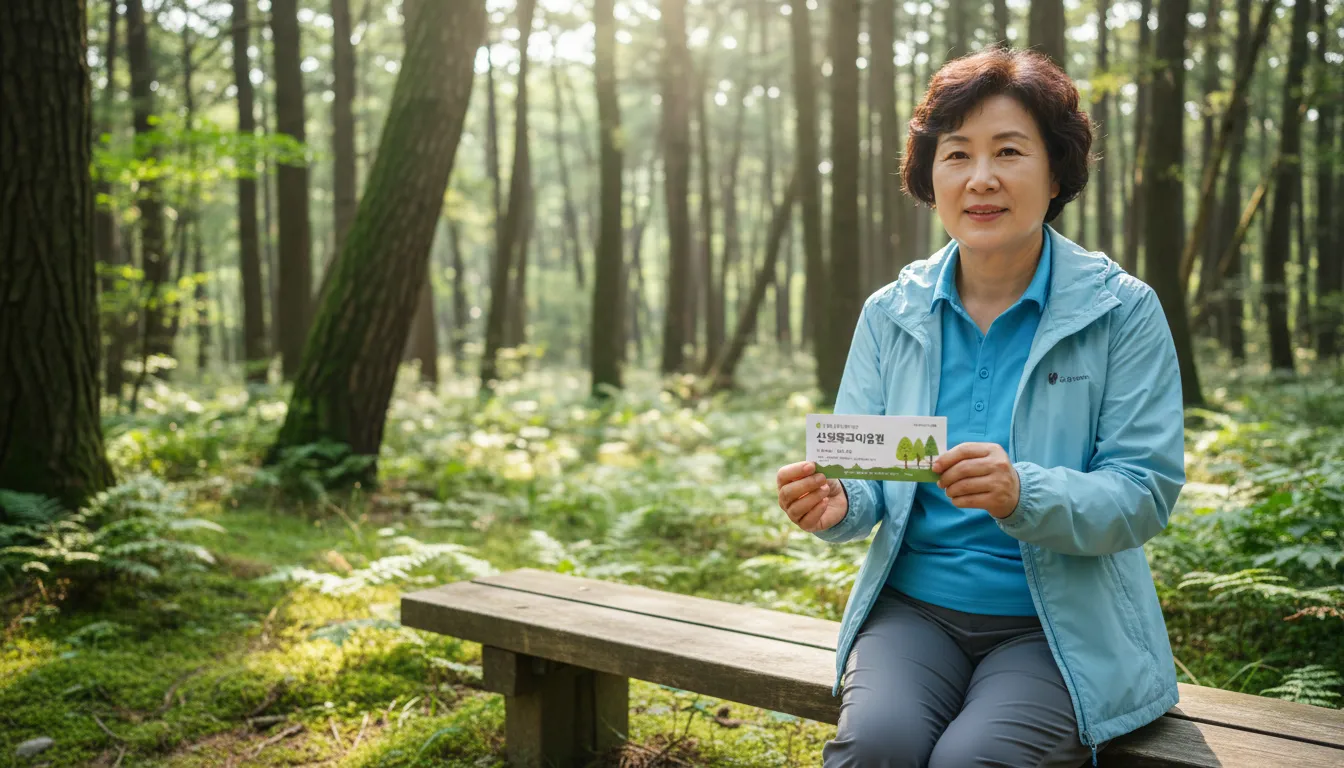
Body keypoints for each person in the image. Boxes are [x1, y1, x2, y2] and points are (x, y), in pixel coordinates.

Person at [775, 48, 1186, 767]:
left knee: (972, 761)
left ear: (1055, 173)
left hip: (1059, 629)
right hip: (912, 615)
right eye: (957, 154)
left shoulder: (1121, 311)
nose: (981, 178)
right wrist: (840, 501)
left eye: (1009, 151)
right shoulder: (892, 313)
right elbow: (865, 477)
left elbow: (1143, 493)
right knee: (874, 747)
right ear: (930, 177)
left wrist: (1023, 492)